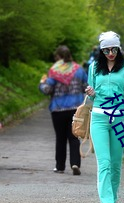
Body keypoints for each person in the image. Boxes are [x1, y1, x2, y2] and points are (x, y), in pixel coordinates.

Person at [85, 31, 124, 203]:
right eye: (106, 50)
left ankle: (112, 201)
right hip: (98, 118)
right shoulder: (93, 68)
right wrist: (90, 92)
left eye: (114, 49)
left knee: (116, 164)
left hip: (120, 119)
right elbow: (91, 97)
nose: (110, 53)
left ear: (119, 48)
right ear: (101, 50)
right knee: (104, 163)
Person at [39, 45, 88, 175]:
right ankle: (75, 163)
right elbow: (86, 87)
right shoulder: (79, 70)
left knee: (60, 138)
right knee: (74, 137)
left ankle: (60, 166)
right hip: (75, 109)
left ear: (58, 57)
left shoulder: (54, 71)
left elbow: (47, 90)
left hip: (58, 109)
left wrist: (42, 83)